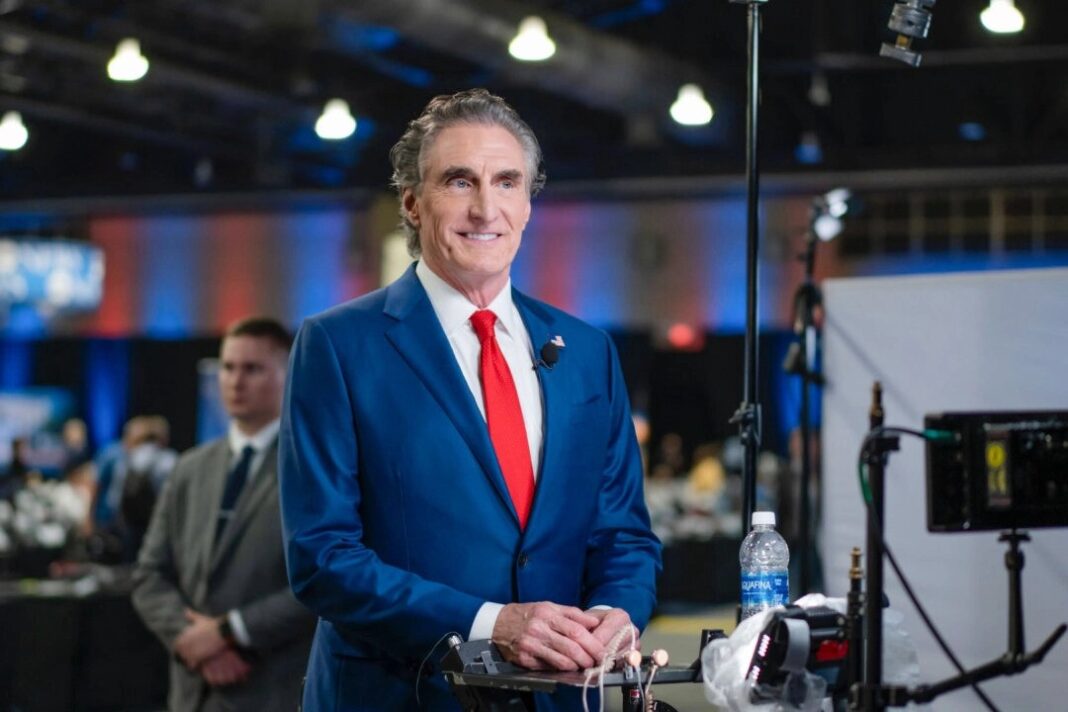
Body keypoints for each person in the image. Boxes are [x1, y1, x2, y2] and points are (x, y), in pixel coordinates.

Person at [279, 88, 661, 710]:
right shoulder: (338, 345)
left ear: (529, 203)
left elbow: (623, 536)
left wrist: (614, 614)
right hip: (400, 694)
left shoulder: (588, 352)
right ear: (411, 202)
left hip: (559, 696)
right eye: (460, 182)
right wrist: (493, 623)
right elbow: (322, 557)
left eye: (508, 182)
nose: (487, 208)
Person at [132, 317, 315, 712]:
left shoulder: (310, 469)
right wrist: (193, 641)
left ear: (289, 374)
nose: (235, 381)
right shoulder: (189, 468)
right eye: (228, 368)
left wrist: (231, 632)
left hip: (271, 688)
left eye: (253, 369)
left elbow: (323, 581)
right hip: (192, 691)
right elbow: (149, 575)